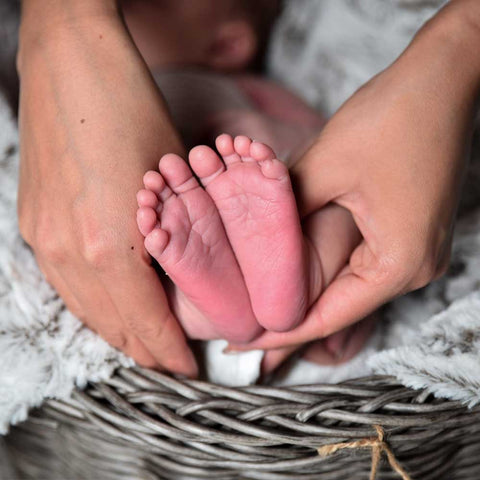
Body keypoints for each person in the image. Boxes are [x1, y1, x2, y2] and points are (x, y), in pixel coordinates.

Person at [16, 0, 480, 375]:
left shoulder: (238, 87)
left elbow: (330, 142)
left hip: (269, 211)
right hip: (239, 220)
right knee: (148, 252)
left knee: (333, 211)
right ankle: (250, 295)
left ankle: (264, 289)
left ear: (227, 44)